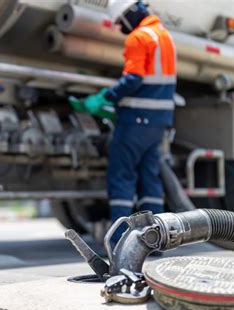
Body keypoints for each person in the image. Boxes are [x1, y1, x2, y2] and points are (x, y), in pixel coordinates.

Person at [79, 1, 177, 243]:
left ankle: (120, 242)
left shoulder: (138, 37)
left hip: (135, 121)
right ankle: (155, 240)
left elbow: (133, 79)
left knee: (122, 177)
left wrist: (105, 97)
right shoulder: (165, 36)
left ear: (130, 14)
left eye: (120, 22)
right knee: (149, 179)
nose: (119, 27)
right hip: (158, 122)